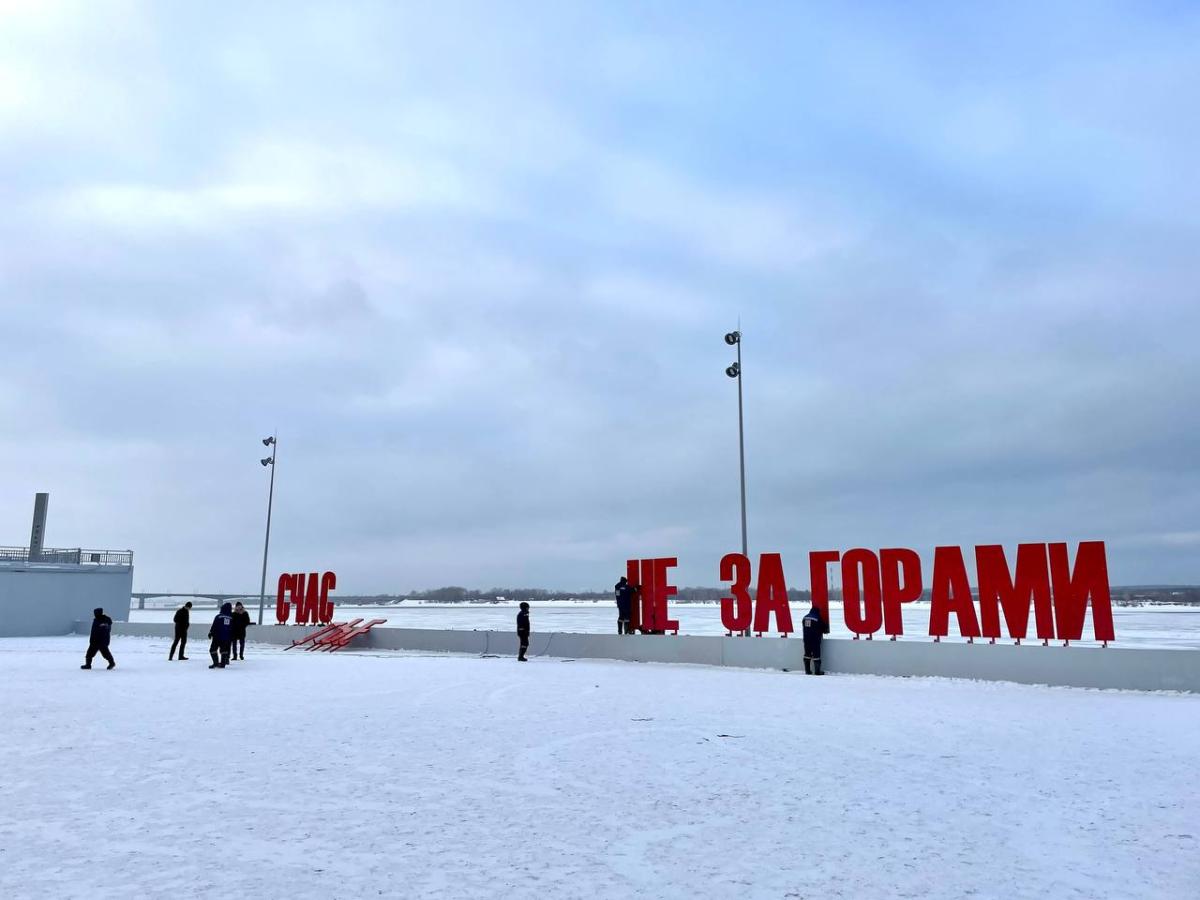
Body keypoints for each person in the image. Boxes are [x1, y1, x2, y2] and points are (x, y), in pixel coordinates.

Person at [802, 602, 829, 676]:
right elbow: (824, 628)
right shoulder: (817, 618)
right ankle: (817, 672)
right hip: (815, 639)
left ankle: (807, 671)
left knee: (807, 654)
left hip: (806, 639)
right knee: (816, 655)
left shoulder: (805, 617)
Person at [208, 602, 234, 669]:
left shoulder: (219, 616)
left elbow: (214, 626)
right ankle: (222, 664)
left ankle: (215, 663)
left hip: (217, 636)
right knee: (224, 650)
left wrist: (211, 633)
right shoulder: (231, 618)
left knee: (212, 649)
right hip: (226, 637)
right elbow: (233, 628)